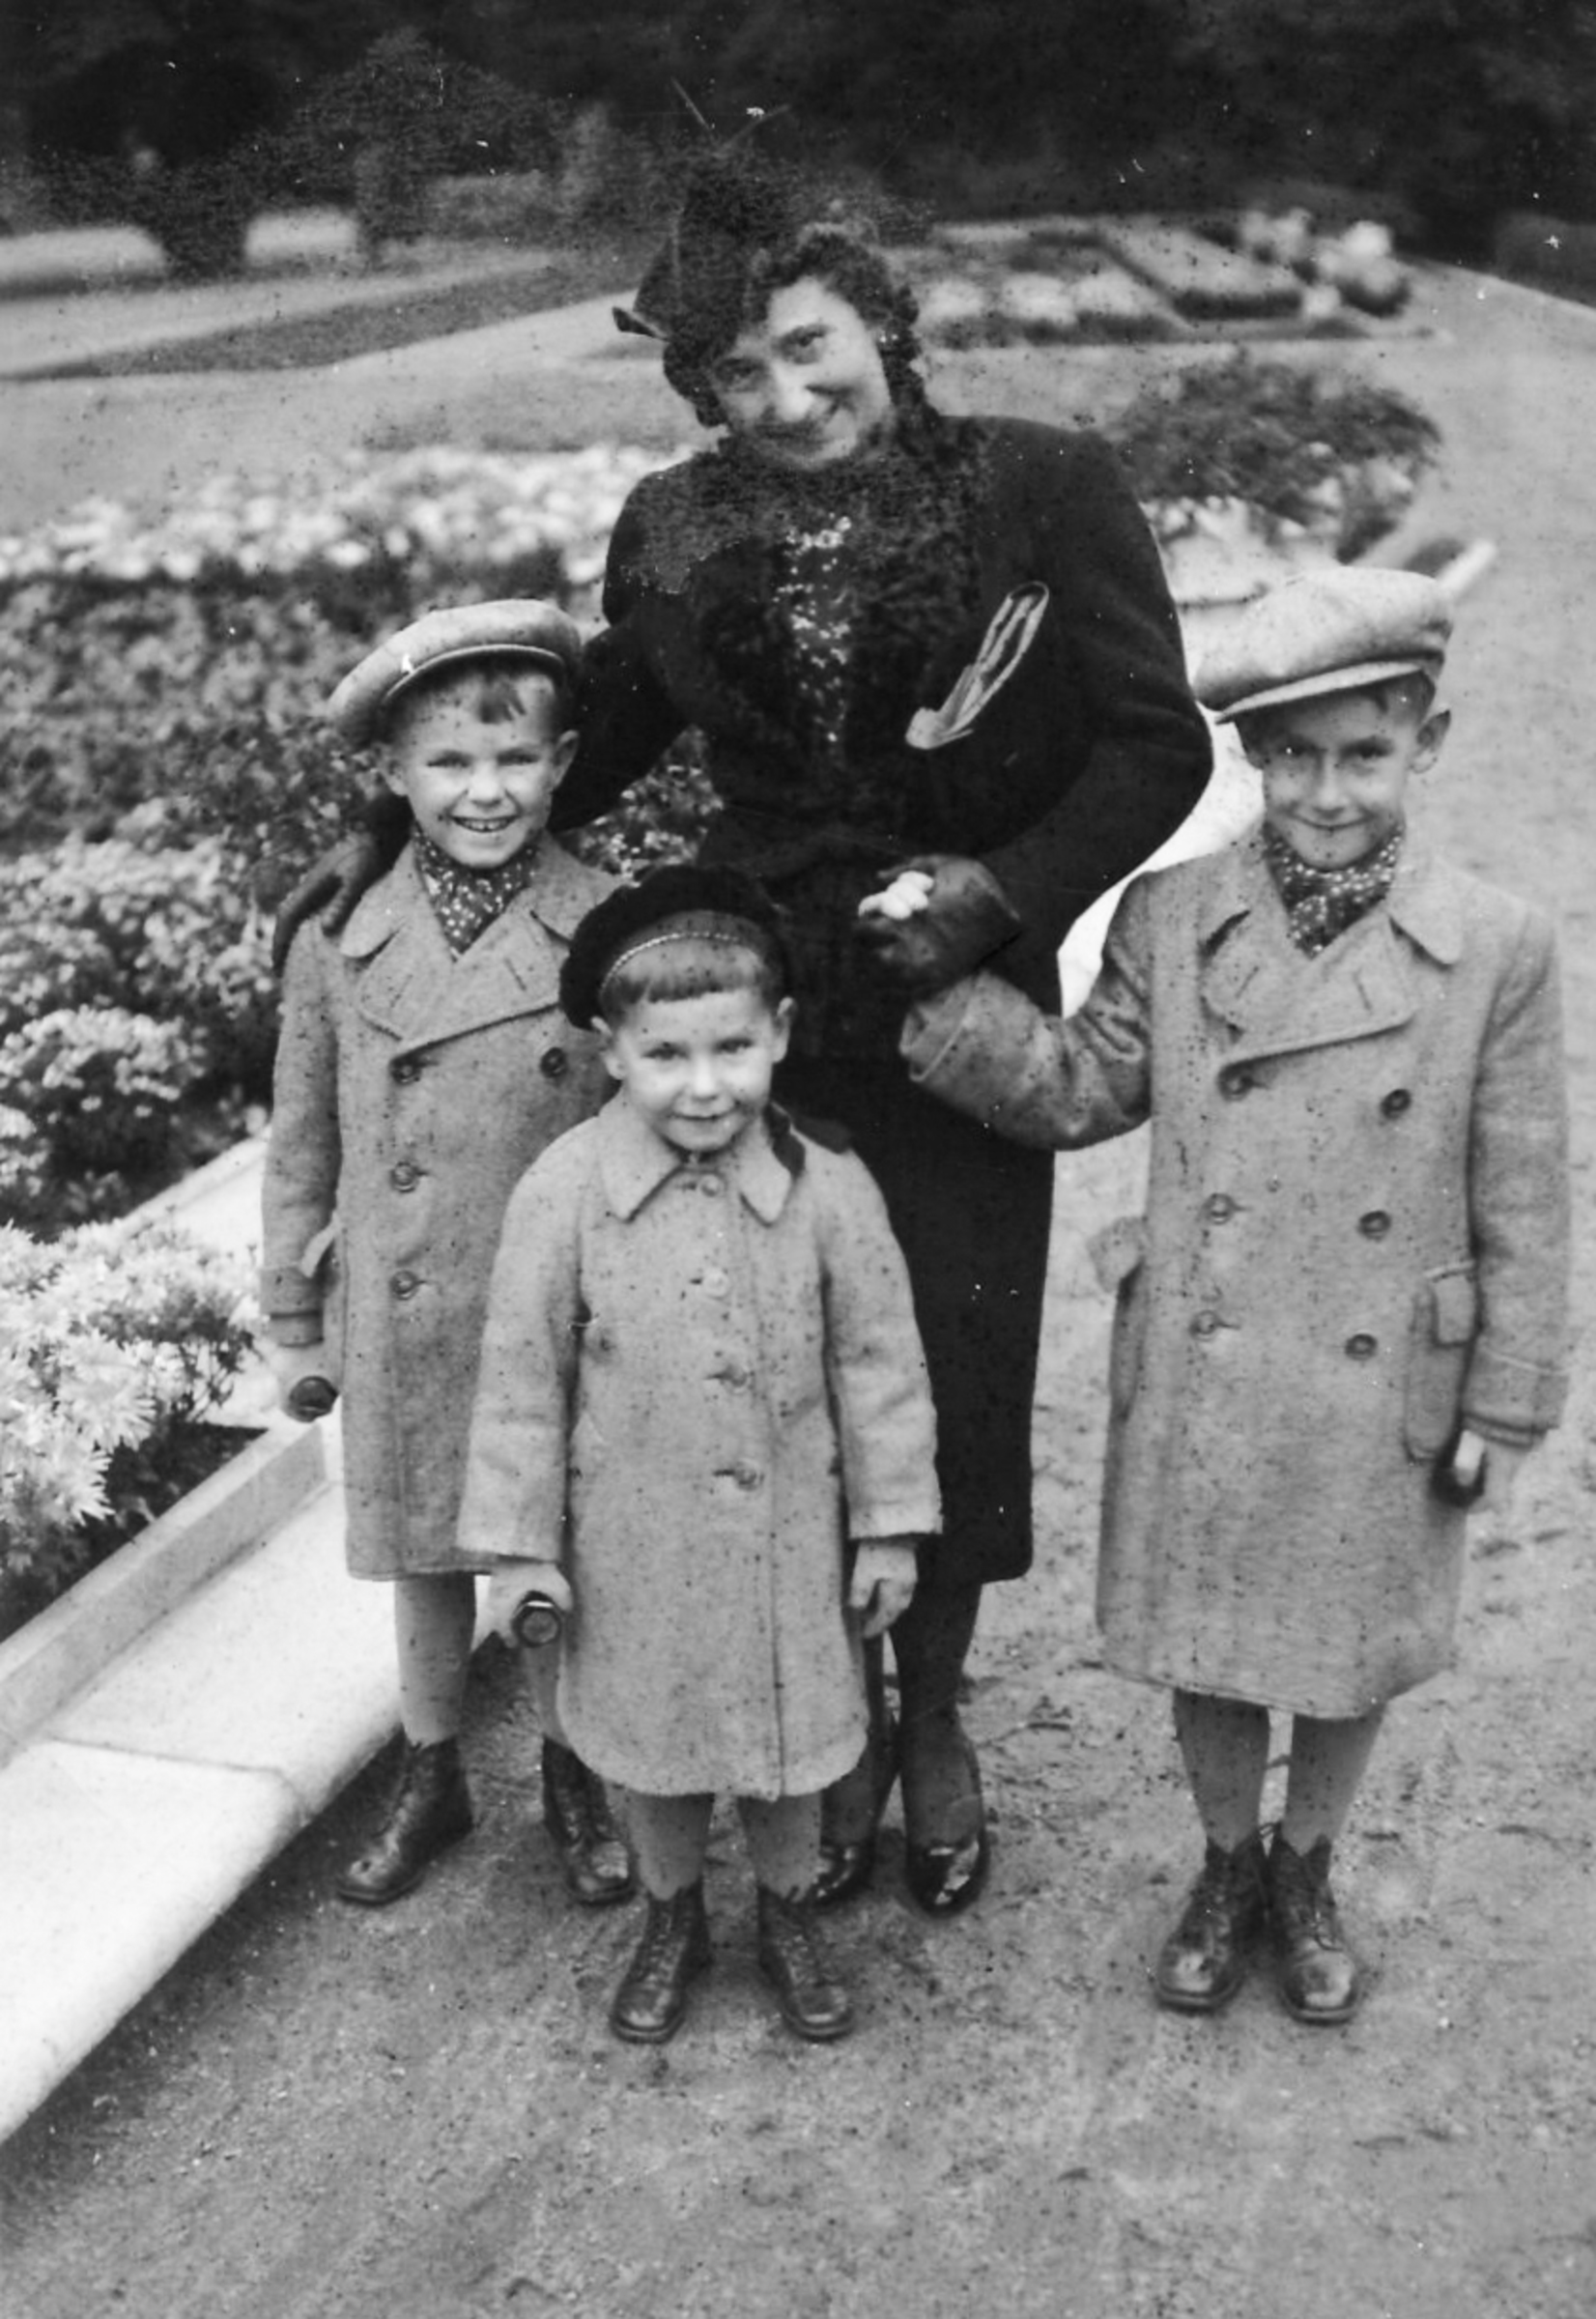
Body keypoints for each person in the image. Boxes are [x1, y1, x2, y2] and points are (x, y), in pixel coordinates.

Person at [274, 147, 1212, 1916]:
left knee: (952, 1356)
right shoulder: (675, 522)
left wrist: (1001, 893)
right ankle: (822, 1722)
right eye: (736, 375)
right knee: (768, 1364)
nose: (784, 399)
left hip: (950, 1008)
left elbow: (1153, 745)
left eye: (806, 346)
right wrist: (389, 829)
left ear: (877, 317)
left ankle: (933, 1718)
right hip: (747, 1018)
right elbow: (604, 737)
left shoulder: (1044, 484)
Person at [897, 565, 1571, 2020]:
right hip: (1212, 1350)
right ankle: (1222, 1862)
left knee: (1344, 1651)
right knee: (1209, 1636)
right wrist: (937, 999)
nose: (1328, 793)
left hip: (1381, 1365)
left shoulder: (1496, 945)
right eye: (1295, 757)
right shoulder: (1176, 915)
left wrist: (1507, 1401)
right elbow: (1084, 1086)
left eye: (1365, 753)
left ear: (1428, 743)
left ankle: (1305, 1869)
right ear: (1254, 755)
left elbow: (1522, 1191)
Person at [457, 867, 941, 2042]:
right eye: (666, 1055)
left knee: (785, 1745)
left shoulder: (829, 1185)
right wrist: (519, 1551)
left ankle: (787, 1914)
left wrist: (887, 1528)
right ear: (610, 1051)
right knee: (653, 1742)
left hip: (791, 1537)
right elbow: (520, 1383)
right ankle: (670, 1916)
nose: (705, 1084)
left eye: (732, 1048)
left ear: (779, 1033)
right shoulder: (562, 1192)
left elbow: (879, 1367)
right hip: (631, 1539)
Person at [259, 601, 633, 1913]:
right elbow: (303, 1136)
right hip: (403, 1300)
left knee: (553, 1548)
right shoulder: (338, 936)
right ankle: (431, 1769)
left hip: (549, 1310)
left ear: (564, 760)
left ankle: (572, 1770)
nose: (486, 791)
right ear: (393, 772)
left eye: (515, 758)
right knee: (419, 1551)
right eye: (450, 763)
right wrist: (291, 1318)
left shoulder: (605, 923)